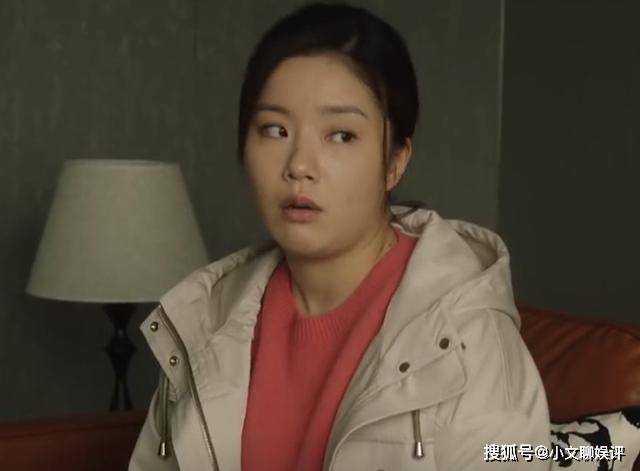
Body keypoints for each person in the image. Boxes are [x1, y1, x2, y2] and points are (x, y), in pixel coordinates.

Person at [129, 2, 552, 470]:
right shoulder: (206, 320)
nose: (299, 165)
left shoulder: (467, 334)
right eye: (274, 129)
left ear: (395, 161)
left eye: (341, 135)